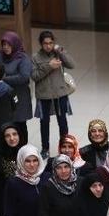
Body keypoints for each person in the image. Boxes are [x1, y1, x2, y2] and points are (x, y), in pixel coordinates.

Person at [31, 30, 75, 158]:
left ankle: (65, 146)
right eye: (45, 43)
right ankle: (45, 148)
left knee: (62, 122)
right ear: (41, 44)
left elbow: (72, 64)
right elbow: (34, 76)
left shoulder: (58, 53)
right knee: (44, 123)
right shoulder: (35, 58)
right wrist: (49, 66)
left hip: (60, 94)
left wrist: (60, 50)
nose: (48, 46)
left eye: (51, 43)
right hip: (44, 95)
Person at [0, 31, 32, 143]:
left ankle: (23, 149)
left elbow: (23, 77)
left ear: (15, 44)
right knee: (5, 125)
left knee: (20, 124)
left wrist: (3, 78)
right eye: (4, 44)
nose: (5, 47)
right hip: (2, 97)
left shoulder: (23, 58)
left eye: (8, 44)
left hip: (20, 96)